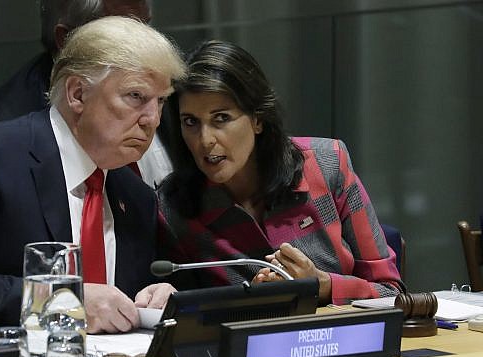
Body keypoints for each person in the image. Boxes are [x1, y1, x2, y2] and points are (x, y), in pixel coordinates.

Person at [0, 16, 186, 342]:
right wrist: (61, 302)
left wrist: (153, 297)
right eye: (136, 96)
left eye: (160, 101)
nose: (153, 119)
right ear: (77, 93)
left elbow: (112, 306)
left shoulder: (135, 195)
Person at [157, 40, 404, 305]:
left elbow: (391, 292)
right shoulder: (173, 206)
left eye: (221, 118)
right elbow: (183, 314)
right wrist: (249, 302)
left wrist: (322, 285)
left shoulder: (327, 163)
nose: (204, 140)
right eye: (191, 122)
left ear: (258, 119)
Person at [0, 0, 172, 188]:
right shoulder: (7, 124)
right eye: (125, 36)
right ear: (67, 39)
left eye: (146, 26)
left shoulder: (168, 86)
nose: (153, 119)